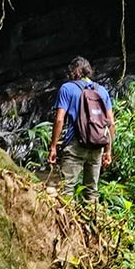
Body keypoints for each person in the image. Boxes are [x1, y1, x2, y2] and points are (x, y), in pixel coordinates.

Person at [48, 56, 114, 200]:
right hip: (97, 145)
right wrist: (108, 151)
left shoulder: (67, 88)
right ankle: (93, 220)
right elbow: (111, 123)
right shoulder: (102, 91)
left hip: (75, 145)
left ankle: (68, 222)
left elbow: (59, 119)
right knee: (92, 191)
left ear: (72, 72)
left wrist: (53, 146)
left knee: (66, 189)